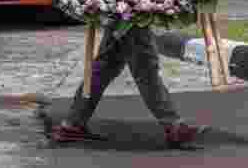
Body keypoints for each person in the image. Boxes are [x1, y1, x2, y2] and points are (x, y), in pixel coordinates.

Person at [51, 25, 208, 146]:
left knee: (107, 64)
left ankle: (73, 123)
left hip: (121, 6)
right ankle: (174, 126)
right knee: (145, 67)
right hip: (131, 8)